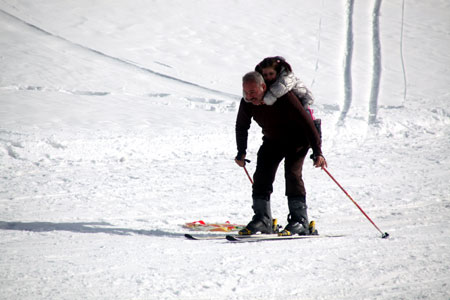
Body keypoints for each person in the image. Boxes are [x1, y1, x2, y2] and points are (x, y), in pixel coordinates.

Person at [235, 71, 327, 236]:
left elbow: (308, 123)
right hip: (273, 140)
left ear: (263, 87)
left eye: (253, 92)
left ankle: (300, 221)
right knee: (262, 174)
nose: (249, 96)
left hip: (298, 139)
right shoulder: (247, 102)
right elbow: (242, 126)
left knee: (292, 174)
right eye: (246, 92)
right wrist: (241, 152)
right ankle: (263, 219)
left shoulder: (284, 97)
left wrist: (318, 151)